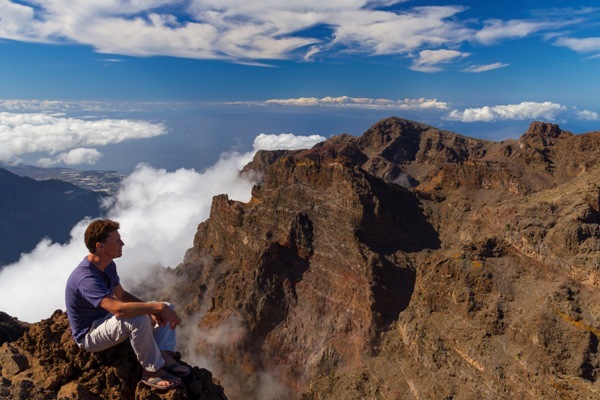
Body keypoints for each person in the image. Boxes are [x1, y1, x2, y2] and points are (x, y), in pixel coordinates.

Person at [65, 219, 189, 390]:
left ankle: (163, 355)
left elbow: (121, 295)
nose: (122, 243)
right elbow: (118, 309)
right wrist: (155, 309)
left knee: (165, 306)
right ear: (100, 246)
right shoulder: (85, 278)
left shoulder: (108, 265)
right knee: (140, 317)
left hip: (106, 320)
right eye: (116, 240)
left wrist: (156, 309)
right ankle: (151, 371)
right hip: (90, 335)